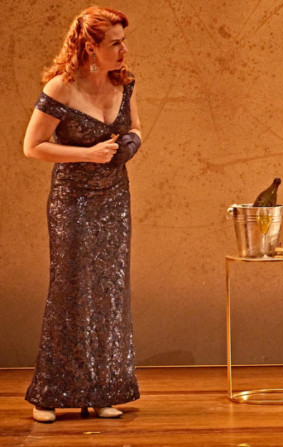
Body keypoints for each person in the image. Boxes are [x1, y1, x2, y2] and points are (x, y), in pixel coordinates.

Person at [22, 6, 142, 423]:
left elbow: (136, 127)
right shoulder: (61, 87)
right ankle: (49, 395)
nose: (123, 50)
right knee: (72, 291)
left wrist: (130, 143)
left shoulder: (123, 82)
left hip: (114, 200)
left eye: (123, 41)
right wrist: (88, 154)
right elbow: (32, 146)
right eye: (115, 43)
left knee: (109, 291)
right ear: (91, 47)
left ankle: (102, 390)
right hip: (73, 200)